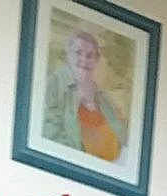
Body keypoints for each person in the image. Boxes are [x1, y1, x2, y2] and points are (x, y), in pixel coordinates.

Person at [44, 28, 126, 163]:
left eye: (90, 55)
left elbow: (122, 137)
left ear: (96, 60)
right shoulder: (55, 85)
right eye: (78, 53)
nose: (84, 60)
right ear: (68, 55)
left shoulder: (104, 99)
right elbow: (49, 133)